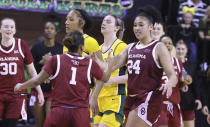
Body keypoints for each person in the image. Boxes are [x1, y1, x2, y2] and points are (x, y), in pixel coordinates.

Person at [92, 6, 178, 127]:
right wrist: (97, 63)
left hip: (148, 99)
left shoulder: (158, 47)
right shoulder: (130, 47)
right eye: (135, 25)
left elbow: (172, 75)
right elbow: (109, 67)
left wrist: (170, 83)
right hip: (130, 100)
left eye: (141, 25)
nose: (137, 28)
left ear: (151, 27)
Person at [14, 30, 111, 127]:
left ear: (67, 46)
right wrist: (105, 64)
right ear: (82, 47)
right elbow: (105, 78)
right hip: (80, 113)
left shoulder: (56, 60)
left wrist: (21, 86)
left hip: (59, 112)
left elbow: (37, 80)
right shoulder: (90, 64)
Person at [0, 18, 44, 127]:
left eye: (11, 27)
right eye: (6, 26)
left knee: (9, 124)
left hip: (17, 94)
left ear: (14, 30)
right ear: (0, 29)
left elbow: (32, 71)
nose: (9, 29)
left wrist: (39, 91)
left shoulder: (21, 45)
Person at [92, 15, 127, 127]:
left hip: (114, 98)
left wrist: (110, 80)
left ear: (116, 28)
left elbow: (133, 76)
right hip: (98, 99)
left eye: (108, 21)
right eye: (103, 21)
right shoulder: (98, 49)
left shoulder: (122, 47)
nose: (104, 23)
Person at [30, 21, 63, 127]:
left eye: (51, 28)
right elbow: (29, 68)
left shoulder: (61, 48)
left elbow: (64, 68)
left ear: (55, 32)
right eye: (47, 28)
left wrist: (51, 63)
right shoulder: (36, 48)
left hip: (53, 90)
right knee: (39, 123)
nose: (49, 30)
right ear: (44, 31)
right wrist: (41, 62)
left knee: (49, 121)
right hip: (38, 89)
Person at [154, 36, 192, 127]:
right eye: (164, 43)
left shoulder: (178, 62)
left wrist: (185, 82)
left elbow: (179, 84)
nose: (167, 45)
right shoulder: (154, 61)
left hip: (174, 104)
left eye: (169, 43)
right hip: (160, 104)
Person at [176, 40, 202, 127]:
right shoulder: (171, 63)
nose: (180, 51)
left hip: (188, 101)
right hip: (175, 101)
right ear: (175, 49)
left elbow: (196, 84)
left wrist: (198, 98)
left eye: (182, 49)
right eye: (178, 49)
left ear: (187, 50)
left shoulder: (192, 64)